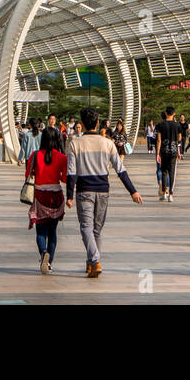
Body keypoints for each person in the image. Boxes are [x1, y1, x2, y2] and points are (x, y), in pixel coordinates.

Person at [67, 107, 142, 277]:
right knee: (96, 230)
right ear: (98, 123)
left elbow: (71, 172)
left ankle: (94, 260)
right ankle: (91, 262)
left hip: (84, 190)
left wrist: (69, 195)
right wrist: (133, 191)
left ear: (82, 124)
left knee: (86, 227)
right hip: (103, 191)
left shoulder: (74, 144)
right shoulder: (108, 143)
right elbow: (120, 170)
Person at [27, 126, 70, 274]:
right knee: (52, 232)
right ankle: (49, 262)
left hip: (40, 195)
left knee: (40, 231)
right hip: (56, 196)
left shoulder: (35, 155)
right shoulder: (62, 157)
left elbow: (28, 174)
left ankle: (43, 252)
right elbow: (64, 179)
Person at [154, 106, 182, 201]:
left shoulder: (160, 125)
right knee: (172, 172)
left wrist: (157, 153)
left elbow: (159, 140)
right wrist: (179, 151)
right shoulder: (177, 125)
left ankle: (164, 192)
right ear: (174, 113)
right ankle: (171, 194)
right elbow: (179, 139)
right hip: (173, 150)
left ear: (166, 113)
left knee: (164, 172)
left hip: (164, 151)